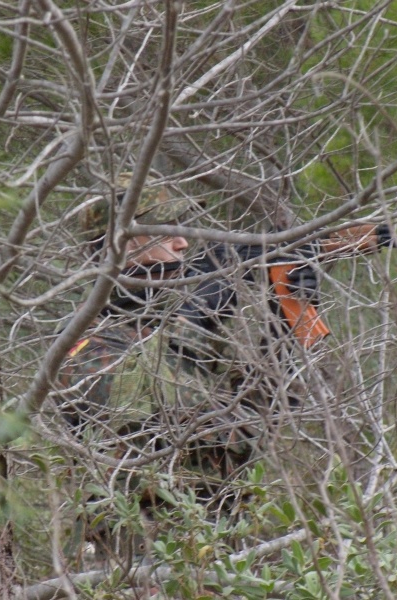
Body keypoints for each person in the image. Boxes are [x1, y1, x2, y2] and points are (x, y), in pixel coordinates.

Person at [57, 173, 274, 567]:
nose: (183, 243)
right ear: (119, 243)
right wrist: (194, 319)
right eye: (165, 231)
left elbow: (247, 430)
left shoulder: (170, 331)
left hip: (215, 551)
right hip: (128, 561)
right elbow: (138, 420)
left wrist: (287, 327)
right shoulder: (84, 339)